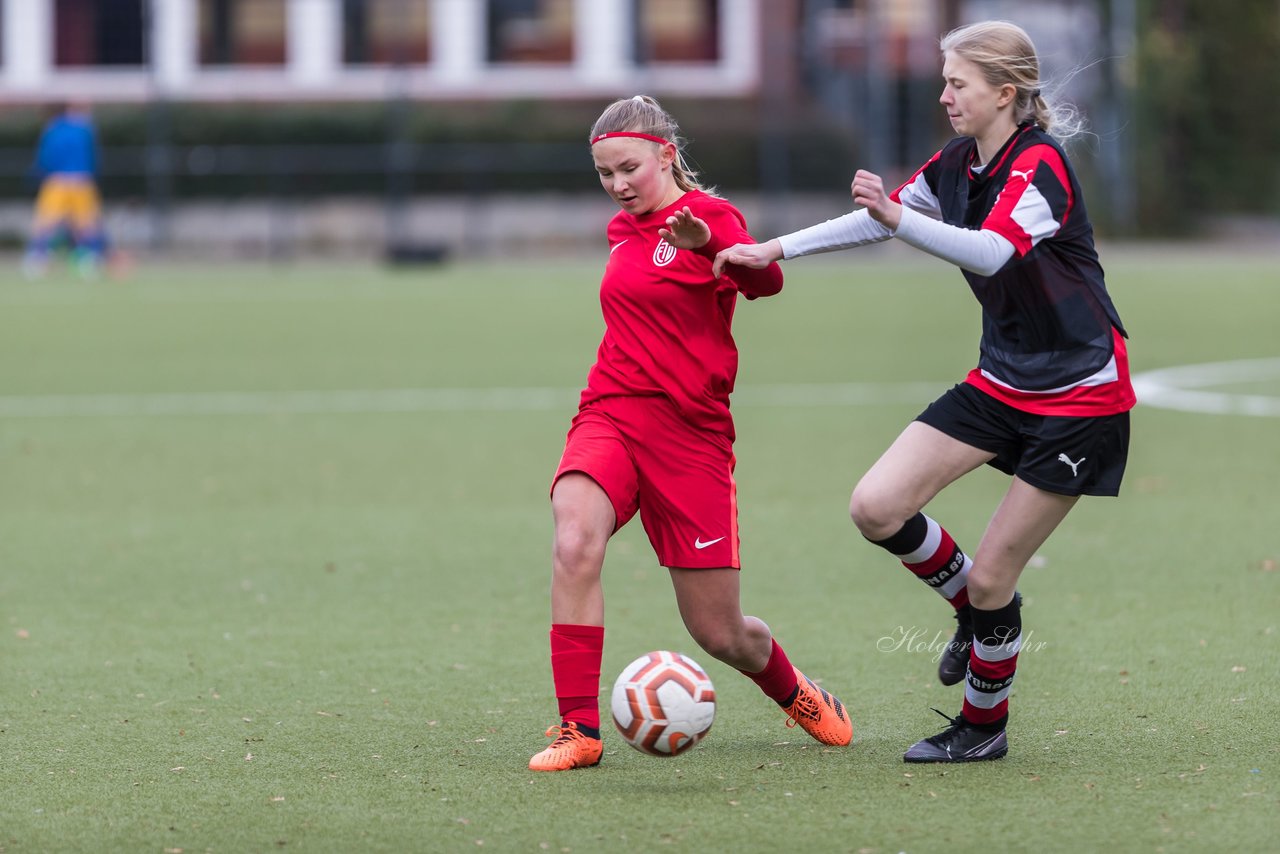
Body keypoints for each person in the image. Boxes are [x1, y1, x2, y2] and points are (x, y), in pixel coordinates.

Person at [712, 21, 1134, 764]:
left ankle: (981, 728)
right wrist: (776, 247)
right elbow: (877, 223)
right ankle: (972, 612)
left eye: (956, 83)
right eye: (944, 80)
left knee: (997, 577)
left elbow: (994, 252)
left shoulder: (1040, 166)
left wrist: (899, 218)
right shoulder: (958, 162)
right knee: (876, 506)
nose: (943, 95)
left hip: (1080, 398)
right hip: (1003, 379)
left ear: (1005, 93)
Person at [530, 95, 853, 772]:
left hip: (690, 434)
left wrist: (712, 247)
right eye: (605, 175)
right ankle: (578, 731)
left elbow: (766, 281)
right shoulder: (624, 230)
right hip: (611, 412)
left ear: (665, 155)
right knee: (573, 540)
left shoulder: (710, 217)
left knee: (719, 633)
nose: (618, 185)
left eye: (628, 169)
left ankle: (795, 692)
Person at [23, 102, 106, 278]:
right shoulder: (85, 130)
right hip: (82, 180)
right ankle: (89, 260)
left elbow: (45, 159)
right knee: (86, 223)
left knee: (46, 222)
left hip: (57, 181)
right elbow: (94, 158)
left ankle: (37, 259)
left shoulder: (52, 130)